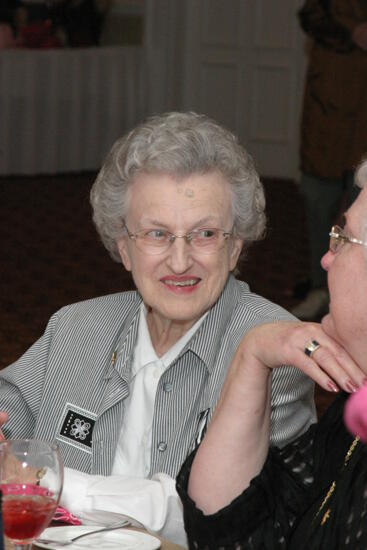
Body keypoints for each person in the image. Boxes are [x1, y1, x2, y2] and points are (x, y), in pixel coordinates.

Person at [0, 112, 316, 546]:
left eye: (204, 233)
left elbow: (232, 520)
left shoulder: (274, 350)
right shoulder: (74, 329)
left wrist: (56, 485)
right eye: (156, 234)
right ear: (124, 247)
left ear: (235, 247)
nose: (180, 261)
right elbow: (7, 429)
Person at [177, 158, 367, 549]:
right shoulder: (352, 413)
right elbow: (226, 529)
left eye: (342, 238)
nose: (326, 259)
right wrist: (253, 353)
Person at [291, 0, 367, 320]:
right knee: (318, 196)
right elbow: (310, 15)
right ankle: (321, 287)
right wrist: (353, 31)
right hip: (331, 97)